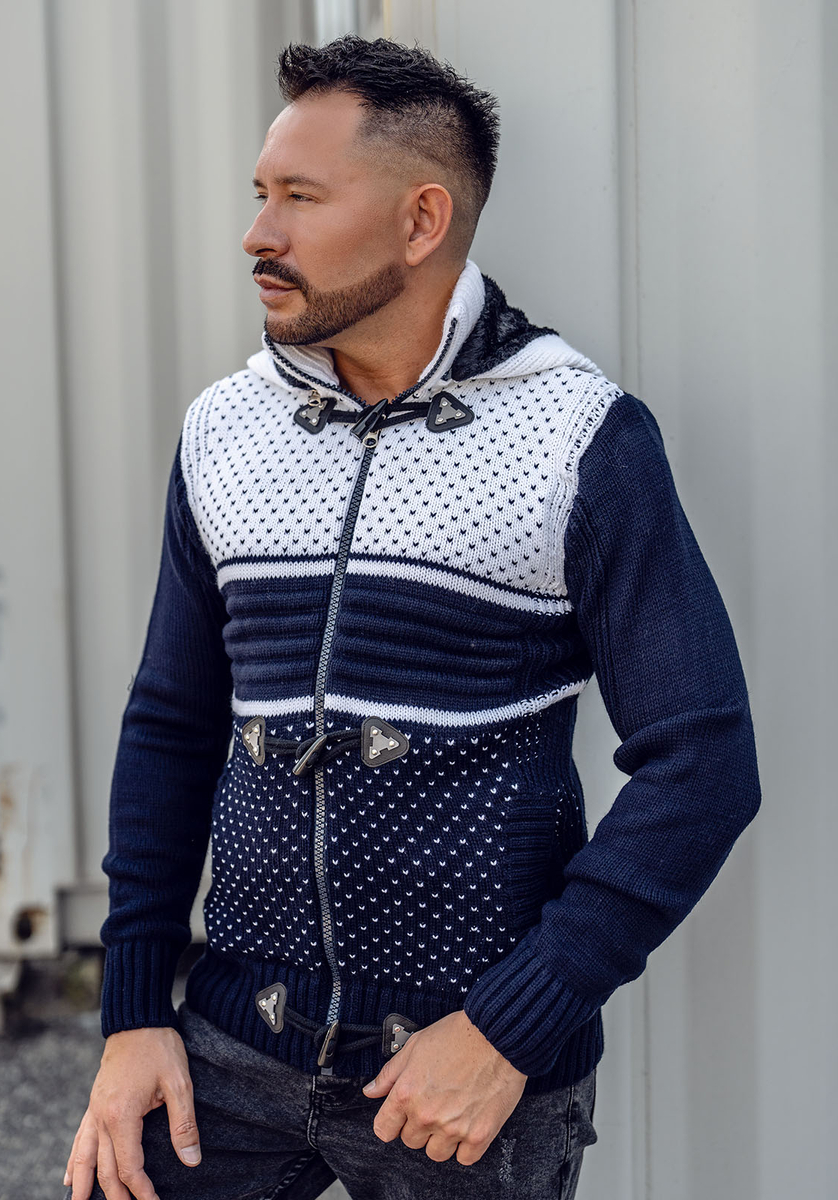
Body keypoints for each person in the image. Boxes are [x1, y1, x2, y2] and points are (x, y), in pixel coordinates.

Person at [65, 34, 761, 1200]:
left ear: (421, 220)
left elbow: (705, 763)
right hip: (229, 1050)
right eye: (259, 194)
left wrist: (510, 1028)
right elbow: (171, 723)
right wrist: (133, 1011)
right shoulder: (224, 429)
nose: (258, 234)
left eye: (300, 198)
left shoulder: (577, 438)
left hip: (466, 1078)